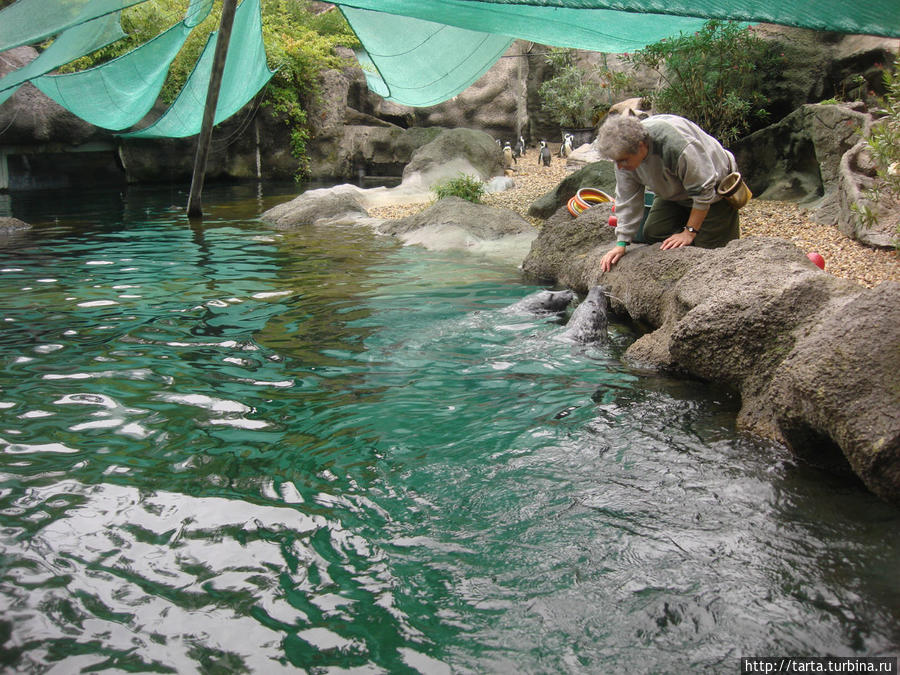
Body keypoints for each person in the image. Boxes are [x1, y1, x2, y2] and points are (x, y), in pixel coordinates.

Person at [596, 113, 742, 272]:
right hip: (673, 190)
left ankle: (710, 232)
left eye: (623, 160)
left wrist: (689, 232)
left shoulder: (676, 146)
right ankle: (692, 233)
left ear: (641, 146)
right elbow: (627, 199)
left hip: (713, 190)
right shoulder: (623, 156)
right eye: (616, 161)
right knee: (654, 231)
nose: (619, 167)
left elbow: (704, 191)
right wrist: (621, 243)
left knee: (712, 253)